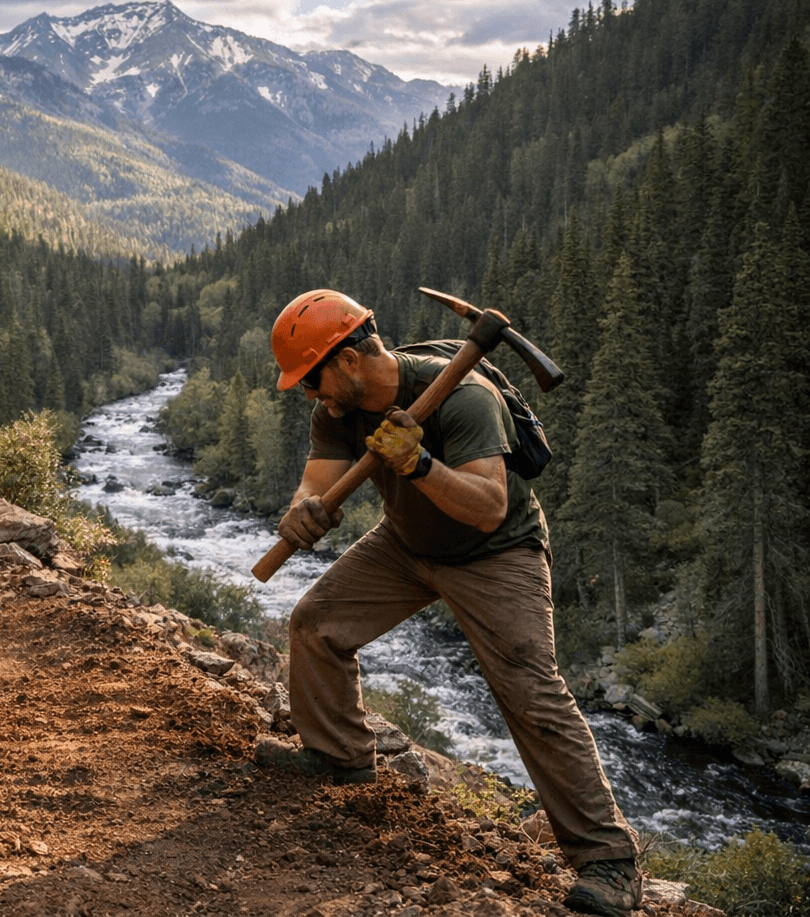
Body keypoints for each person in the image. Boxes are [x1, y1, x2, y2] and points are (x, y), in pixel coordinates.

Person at [268, 289, 642, 917]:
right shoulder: (337, 406)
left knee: (530, 688)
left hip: (496, 552)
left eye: (311, 378)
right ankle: (339, 757)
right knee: (316, 625)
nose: (309, 393)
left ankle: (610, 861)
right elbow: (319, 474)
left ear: (351, 359)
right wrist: (303, 508)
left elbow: (488, 505)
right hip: (407, 542)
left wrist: (416, 464)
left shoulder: (464, 396)